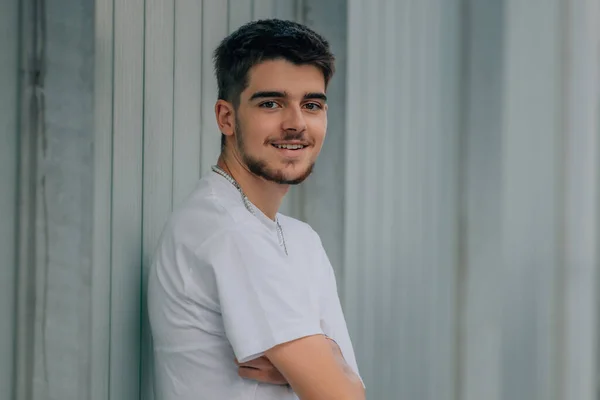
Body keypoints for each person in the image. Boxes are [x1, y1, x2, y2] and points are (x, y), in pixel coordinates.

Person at [147, 19, 364, 400]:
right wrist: (322, 366)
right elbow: (342, 395)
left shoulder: (299, 238)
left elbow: (350, 384)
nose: (296, 124)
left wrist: (322, 362)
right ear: (226, 117)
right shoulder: (228, 230)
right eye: (271, 103)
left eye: (311, 104)